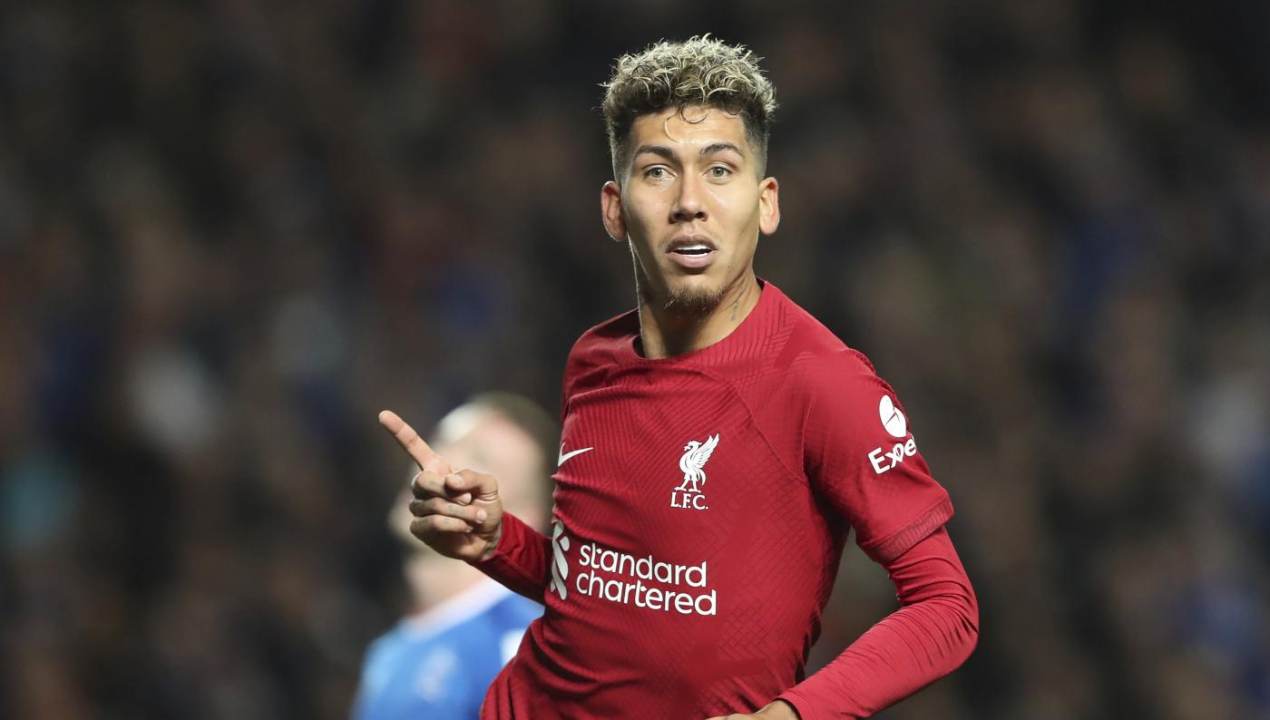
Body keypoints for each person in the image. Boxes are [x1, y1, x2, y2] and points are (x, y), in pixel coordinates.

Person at [379, 36, 979, 719]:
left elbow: (947, 607)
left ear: (766, 203)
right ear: (614, 208)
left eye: (720, 170)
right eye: (659, 172)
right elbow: (603, 596)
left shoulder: (821, 382)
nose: (690, 201)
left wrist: (793, 715)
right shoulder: (594, 361)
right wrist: (497, 543)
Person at [355, 394, 556, 720]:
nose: (440, 463)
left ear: (524, 520)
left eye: (479, 458)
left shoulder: (522, 648)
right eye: (443, 440)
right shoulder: (390, 651)